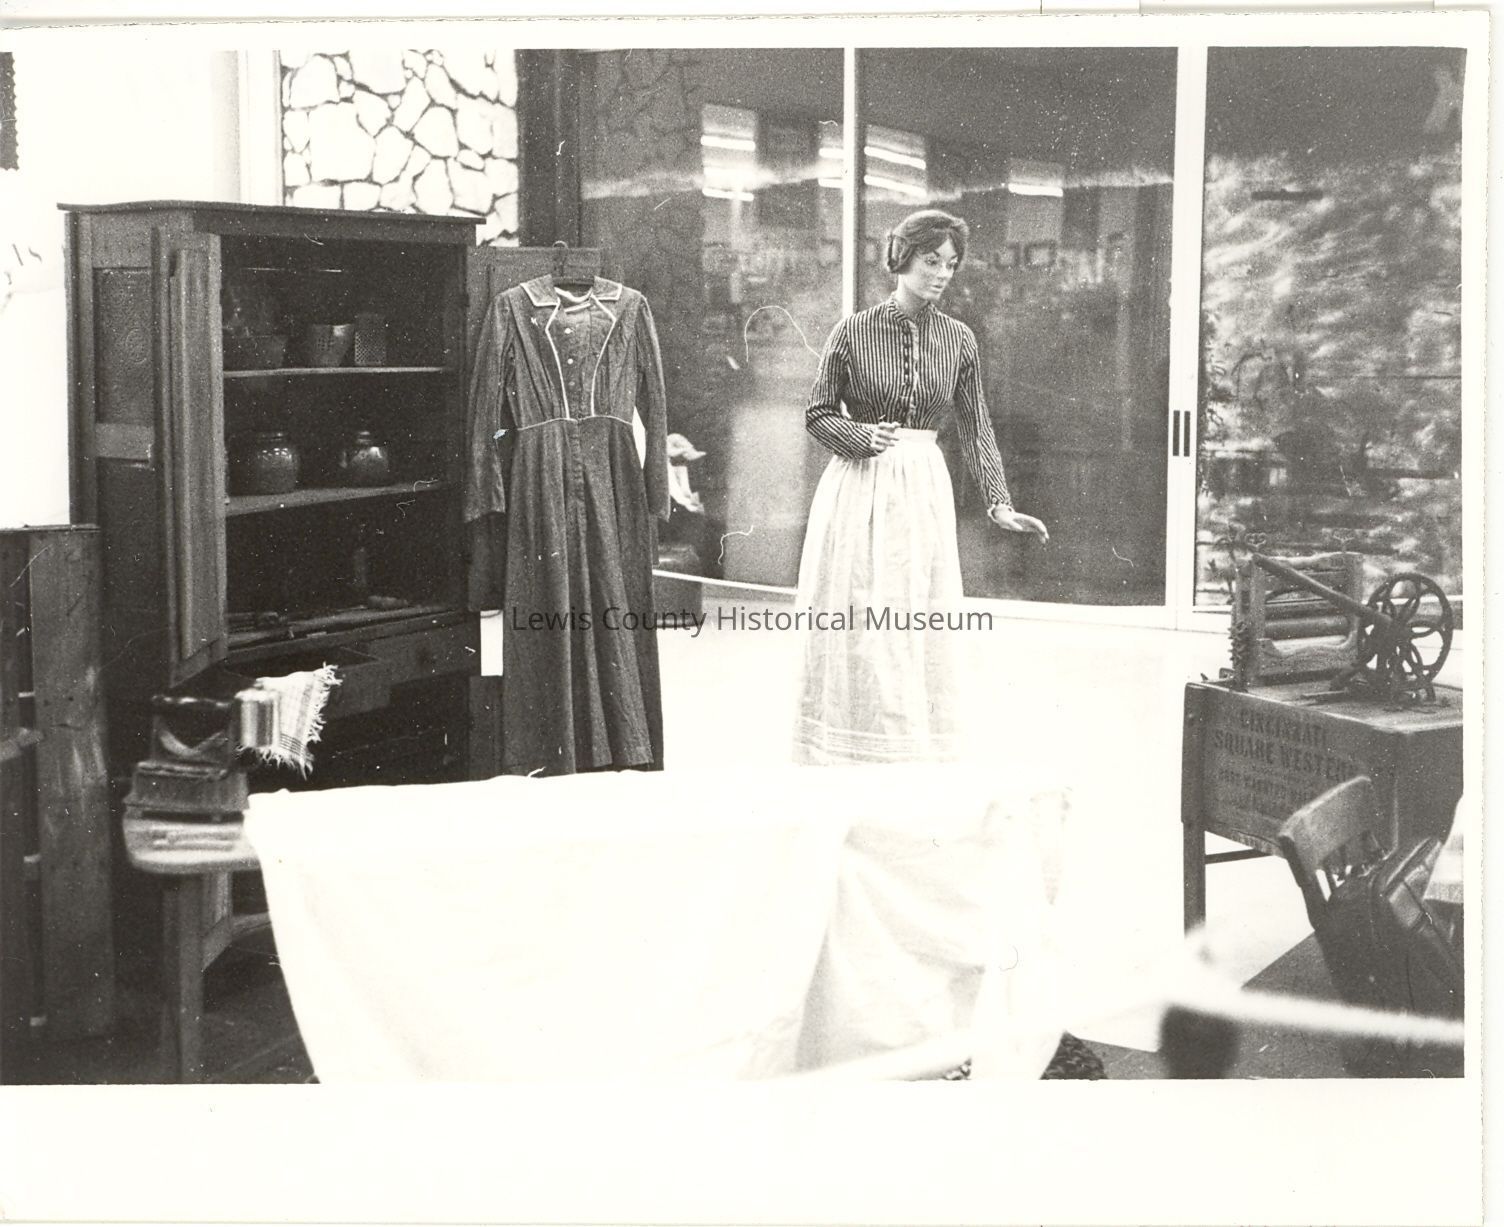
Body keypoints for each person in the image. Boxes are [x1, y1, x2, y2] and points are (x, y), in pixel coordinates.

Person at [792, 208, 1048, 765]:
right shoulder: (853, 331)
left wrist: (999, 502)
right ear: (901, 258)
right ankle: (850, 746)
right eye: (931, 261)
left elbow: (976, 425)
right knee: (862, 609)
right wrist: (861, 436)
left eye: (950, 265)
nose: (941, 274)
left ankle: (909, 745)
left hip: (922, 487)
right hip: (860, 484)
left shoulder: (959, 339)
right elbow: (816, 414)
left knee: (915, 613)